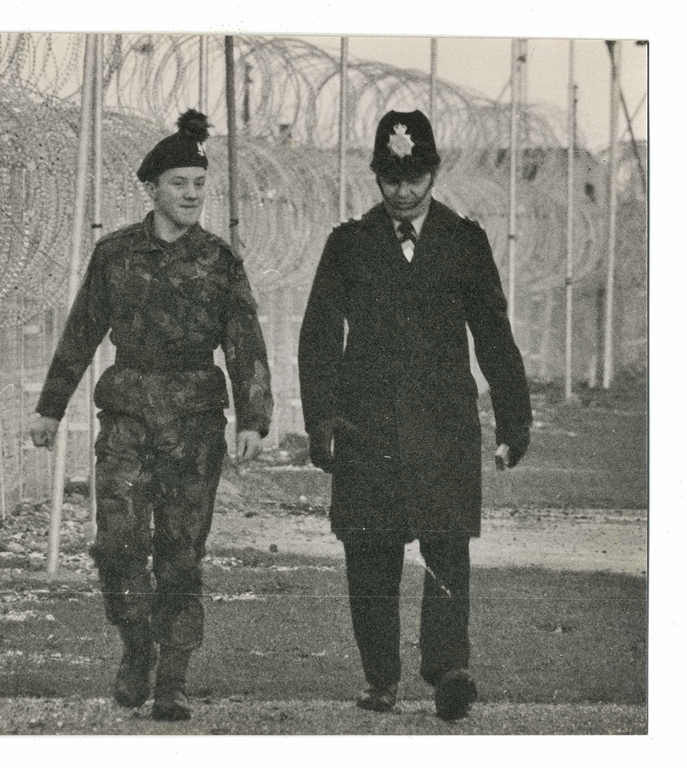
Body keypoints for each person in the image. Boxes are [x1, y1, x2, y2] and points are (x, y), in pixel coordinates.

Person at [29, 110, 273, 721]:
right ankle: (137, 644)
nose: (191, 195)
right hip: (128, 418)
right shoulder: (114, 254)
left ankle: (173, 678)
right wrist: (50, 408)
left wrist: (254, 418)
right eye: (179, 184)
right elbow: (82, 332)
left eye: (199, 184)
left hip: (194, 424)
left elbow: (244, 341)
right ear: (151, 189)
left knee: (181, 554)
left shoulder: (219, 260)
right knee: (116, 545)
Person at [298, 110, 531, 721]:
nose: (403, 191)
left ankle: (449, 670)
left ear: (434, 173)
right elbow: (319, 334)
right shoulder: (348, 244)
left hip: (443, 425)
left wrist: (514, 421)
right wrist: (321, 418)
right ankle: (381, 678)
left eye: (415, 177)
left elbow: (493, 334)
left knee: (447, 546)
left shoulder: (464, 241)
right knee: (369, 552)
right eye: (391, 178)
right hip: (365, 425)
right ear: (376, 175)